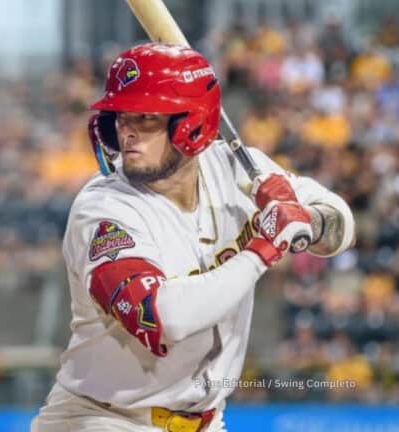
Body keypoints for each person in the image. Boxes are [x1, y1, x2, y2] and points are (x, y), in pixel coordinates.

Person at [32, 43, 355, 432]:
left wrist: (306, 219)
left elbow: (342, 225)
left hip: (207, 420)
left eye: (146, 117)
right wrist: (263, 249)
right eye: (119, 116)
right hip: (105, 418)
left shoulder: (237, 169)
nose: (126, 130)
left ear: (191, 123)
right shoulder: (103, 209)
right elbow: (163, 318)